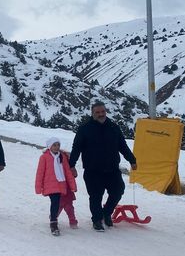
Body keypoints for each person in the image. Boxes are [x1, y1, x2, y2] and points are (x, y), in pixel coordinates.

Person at [69, 101, 136, 232]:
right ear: (92, 113)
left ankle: (106, 213)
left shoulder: (113, 127)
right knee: (95, 196)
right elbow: (76, 148)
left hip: (112, 169)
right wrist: (71, 165)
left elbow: (122, 146)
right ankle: (97, 220)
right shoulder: (85, 129)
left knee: (118, 191)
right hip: (92, 170)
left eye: (103, 111)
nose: (101, 114)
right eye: (97, 112)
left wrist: (132, 160)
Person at [35, 138, 78, 236]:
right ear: (49, 146)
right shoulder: (44, 157)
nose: (57, 147)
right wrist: (38, 187)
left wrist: (72, 185)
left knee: (60, 203)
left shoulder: (62, 157)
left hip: (61, 184)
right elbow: (40, 173)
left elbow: (67, 172)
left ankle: (54, 217)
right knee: (55, 202)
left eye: (58, 145)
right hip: (50, 185)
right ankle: (54, 223)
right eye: (54, 145)